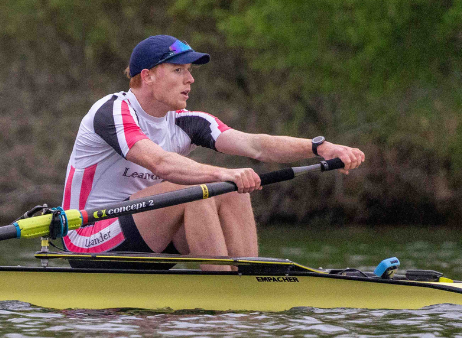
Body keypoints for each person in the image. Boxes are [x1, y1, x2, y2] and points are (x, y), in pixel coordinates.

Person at [60, 34, 364, 264]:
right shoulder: (111, 111)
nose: (190, 79)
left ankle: (246, 279)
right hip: (87, 235)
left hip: (144, 231)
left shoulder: (188, 122)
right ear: (147, 76)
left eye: (190, 71)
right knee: (208, 185)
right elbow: (160, 164)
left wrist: (320, 147)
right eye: (178, 70)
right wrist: (223, 172)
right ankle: (223, 292)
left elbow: (255, 145)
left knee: (230, 189)